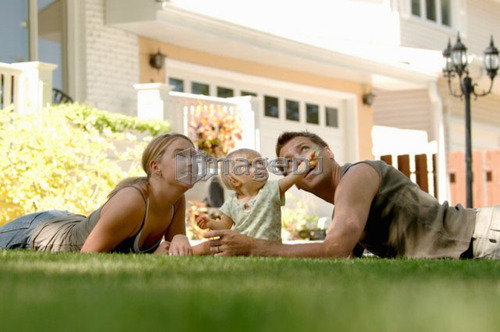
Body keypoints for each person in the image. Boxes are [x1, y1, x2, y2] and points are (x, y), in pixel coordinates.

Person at [203, 131, 500, 259]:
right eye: (287, 162)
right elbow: (339, 260)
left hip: (487, 233)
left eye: (304, 149)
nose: (298, 161)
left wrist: (255, 248)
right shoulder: (343, 210)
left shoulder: (358, 173)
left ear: (327, 153)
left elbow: (333, 247)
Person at [0, 133, 195, 255]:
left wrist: (180, 238)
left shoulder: (176, 199)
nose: (192, 162)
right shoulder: (132, 201)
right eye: (181, 155)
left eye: (194, 156)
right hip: (33, 233)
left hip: (68, 220)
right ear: (155, 167)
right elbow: (88, 256)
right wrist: (150, 259)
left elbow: (175, 251)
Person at [194, 148, 317, 255]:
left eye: (260, 162)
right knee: (209, 246)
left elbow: (292, 178)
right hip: (239, 248)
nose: (260, 166)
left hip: (268, 249)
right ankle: (186, 251)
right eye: (250, 165)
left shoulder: (271, 190)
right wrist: (210, 223)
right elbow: (224, 225)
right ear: (235, 181)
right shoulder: (232, 203)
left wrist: (304, 166)